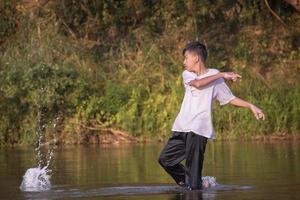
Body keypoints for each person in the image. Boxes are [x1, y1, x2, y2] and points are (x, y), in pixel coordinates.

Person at [158, 41, 265, 190]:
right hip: (182, 128)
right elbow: (198, 84)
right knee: (165, 159)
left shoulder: (215, 76)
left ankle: (195, 184)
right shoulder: (188, 74)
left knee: (193, 180)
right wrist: (222, 74)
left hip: (198, 130)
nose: (184, 62)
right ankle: (197, 183)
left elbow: (229, 98)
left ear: (196, 58)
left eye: (186, 58)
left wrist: (251, 106)